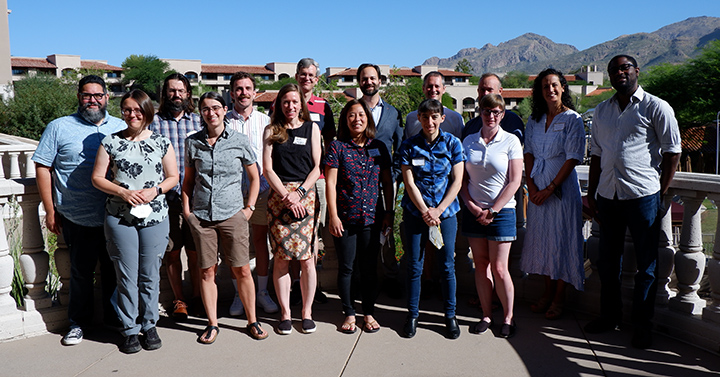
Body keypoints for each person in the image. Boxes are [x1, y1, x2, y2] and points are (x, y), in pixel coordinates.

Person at [584, 55, 681, 349]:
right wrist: (591, 192)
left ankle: (642, 326)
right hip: (608, 197)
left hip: (643, 197)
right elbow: (597, 154)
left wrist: (661, 191)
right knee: (607, 262)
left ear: (636, 71)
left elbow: (672, 152)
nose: (619, 73)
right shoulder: (602, 110)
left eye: (624, 68)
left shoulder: (656, 107)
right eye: (614, 70)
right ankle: (609, 316)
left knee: (647, 266)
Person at [32, 75, 125, 346]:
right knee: (81, 273)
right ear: (79, 97)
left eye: (98, 95)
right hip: (76, 215)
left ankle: (115, 318)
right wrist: (50, 210)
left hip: (115, 215)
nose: (93, 100)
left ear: (107, 97)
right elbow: (43, 167)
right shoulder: (59, 127)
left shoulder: (120, 126)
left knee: (114, 271)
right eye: (87, 95)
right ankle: (78, 324)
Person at [91, 89, 179, 353]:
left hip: (155, 216)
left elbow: (173, 176)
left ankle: (150, 325)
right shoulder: (111, 142)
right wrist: (123, 191)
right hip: (120, 217)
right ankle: (129, 329)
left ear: (147, 111)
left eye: (137, 110)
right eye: (127, 110)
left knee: (150, 275)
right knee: (126, 276)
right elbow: (97, 177)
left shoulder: (161, 142)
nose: (132, 115)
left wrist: (155, 191)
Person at [183, 92, 268, 343]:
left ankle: (252, 320)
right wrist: (188, 213)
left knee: (241, 268)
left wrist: (249, 208)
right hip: (202, 216)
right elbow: (188, 181)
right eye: (206, 108)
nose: (211, 113)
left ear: (224, 109)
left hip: (233, 213)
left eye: (216, 107)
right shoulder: (193, 142)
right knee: (207, 272)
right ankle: (212, 324)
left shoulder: (239, 140)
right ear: (201, 112)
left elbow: (255, 177)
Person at [520, 69, 585, 321]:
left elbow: (572, 158)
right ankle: (547, 293)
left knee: (562, 242)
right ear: (539, 91)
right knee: (545, 243)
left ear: (563, 88)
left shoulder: (573, 119)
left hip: (561, 192)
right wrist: (533, 187)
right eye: (545, 86)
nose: (550, 90)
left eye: (555, 85)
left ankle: (559, 298)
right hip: (537, 190)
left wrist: (550, 188)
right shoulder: (534, 120)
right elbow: (528, 153)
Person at [398, 99, 465, 339]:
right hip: (417, 212)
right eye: (425, 117)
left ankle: (450, 315)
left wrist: (438, 210)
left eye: (434, 117)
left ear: (442, 118)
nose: (430, 122)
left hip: (445, 214)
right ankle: (413, 315)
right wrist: (426, 210)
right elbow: (409, 181)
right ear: (419, 117)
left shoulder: (453, 143)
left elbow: (457, 180)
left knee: (447, 265)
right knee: (414, 265)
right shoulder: (408, 146)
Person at [324, 100, 393, 334]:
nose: (357, 119)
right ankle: (349, 312)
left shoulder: (379, 147)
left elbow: (386, 183)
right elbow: (330, 184)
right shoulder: (337, 147)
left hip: (372, 218)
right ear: (345, 119)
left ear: (368, 119)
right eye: (351, 115)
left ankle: (369, 312)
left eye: (361, 115)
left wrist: (389, 212)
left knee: (369, 268)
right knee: (346, 268)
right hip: (344, 217)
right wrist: (333, 216)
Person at [460, 93, 522, 338]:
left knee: (499, 267)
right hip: (474, 211)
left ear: (502, 114)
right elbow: (462, 180)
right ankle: (486, 314)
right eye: (487, 111)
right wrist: (472, 206)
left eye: (496, 112)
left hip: (502, 212)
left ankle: (508, 318)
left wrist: (493, 210)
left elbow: (515, 181)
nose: (491, 116)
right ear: (480, 113)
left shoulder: (511, 142)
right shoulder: (468, 142)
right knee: (481, 265)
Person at [263, 83, 322, 335]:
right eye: (286, 102)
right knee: (281, 259)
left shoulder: (312, 128)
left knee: (307, 259)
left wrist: (298, 194)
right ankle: (285, 314)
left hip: (306, 197)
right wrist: (286, 195)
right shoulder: (271, 130)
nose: (290, 106)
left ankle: (306, 313)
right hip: (279, 199)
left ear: (301, 104)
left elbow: (317, 166)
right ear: (279, 104)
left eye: (295, 101)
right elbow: (267, 168)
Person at [149, 73, 203, 321]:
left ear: (188, 94)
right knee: (172, 251)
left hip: (196, 198)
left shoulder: (199, 121)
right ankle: (179, 300)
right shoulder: (154, 123)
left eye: (181, 91)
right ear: (165, 94)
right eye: (171, 91)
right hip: (165, 198)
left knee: (195, 252)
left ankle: (198, 297)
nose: (176, 95)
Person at [226, 71, 279, 316]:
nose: (243, 93)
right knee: (235, 246)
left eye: (248, 88)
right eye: (239, 88)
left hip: (262, 193)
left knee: (260, 243)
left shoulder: (265, 122)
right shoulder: (223, 120)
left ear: (255, 92)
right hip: (232, 195)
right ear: (232, 93)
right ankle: (239, 294)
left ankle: (262, 292)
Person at [290, 58, 336, 306]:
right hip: (290, 181)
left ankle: (312, 284)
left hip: (317, 179)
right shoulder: (284, 102)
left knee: (314, 233)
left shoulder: (323, 106)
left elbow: (330, 142)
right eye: (303, 74)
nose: (306, 78)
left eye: (311, 75)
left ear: (316, 79)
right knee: (293, 232)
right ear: (296, 76)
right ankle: (295, 285)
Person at [357, 63, 404, 298]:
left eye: (373, 78)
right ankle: (365, 278)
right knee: (361, 229)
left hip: (385, 180)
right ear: (359, 82)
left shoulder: (393, 113)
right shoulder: (352, 110)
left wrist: (394, 175)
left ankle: (391, 276)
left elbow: (400, 145)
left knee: (387, 228)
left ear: (380, 81)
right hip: (357, 183)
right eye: (364, 79)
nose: (369, 82)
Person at [462, 73, 525, 143]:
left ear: (500, 91)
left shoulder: (512, 121)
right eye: (482, 90)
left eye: (490, 90)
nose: (485, 93)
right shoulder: (471, 126)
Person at [404, 71, 464, 139]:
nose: (433, 90)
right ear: (423, 89)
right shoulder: (411, 118)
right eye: (429, 86)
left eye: (437, 86)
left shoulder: (455, 118)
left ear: (444, 89)